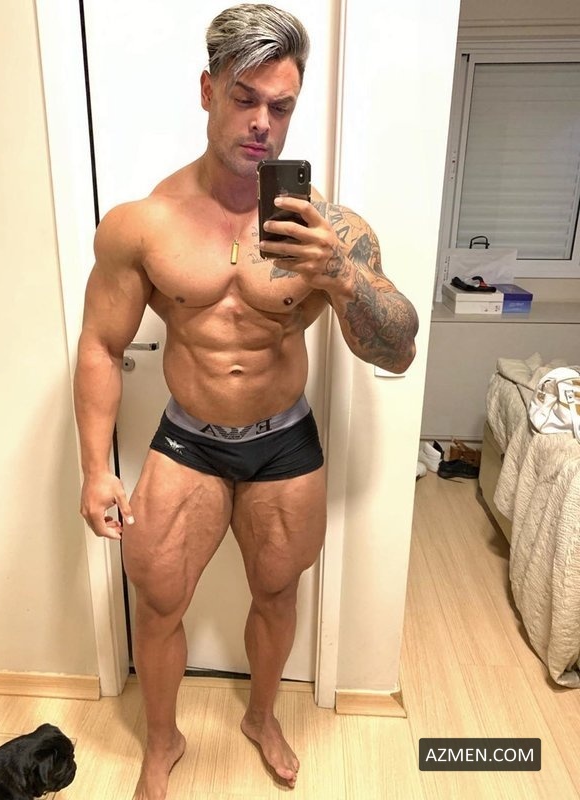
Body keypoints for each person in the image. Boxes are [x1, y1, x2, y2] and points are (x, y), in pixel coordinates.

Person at [73, 4, 418, 799]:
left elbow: (397, 349)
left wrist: (340, 274)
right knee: (157, 598)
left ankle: (262, 717)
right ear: (208, 91)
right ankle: (162, 739)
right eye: (245, 98)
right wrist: (95, 470)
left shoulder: (329, 229)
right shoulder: (142, 225)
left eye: (282, 106)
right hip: (188, 439)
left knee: (277, 590)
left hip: (285, 441)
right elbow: (100, 346)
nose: (264, 122)